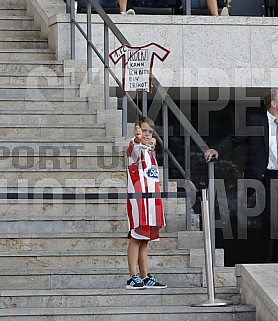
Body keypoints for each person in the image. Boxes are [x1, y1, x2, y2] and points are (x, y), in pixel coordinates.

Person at [204, 88, 278, 263]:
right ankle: (268, 264)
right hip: (266, 178)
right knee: (270, 222)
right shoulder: (256, 121)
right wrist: (216, 149)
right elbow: (234, 139)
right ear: (274, 104)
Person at [125, 117, 167, 289]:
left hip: (151, 200)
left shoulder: (149, 152)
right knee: (136, 237)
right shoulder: (134, 149)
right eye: (143, 131)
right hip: (138, 200)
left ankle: (144, 275)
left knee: (145, 240)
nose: (147, 135)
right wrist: (137, 138)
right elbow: (134, 148)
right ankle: (132, 276)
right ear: (137, 130)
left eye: (150, 131)